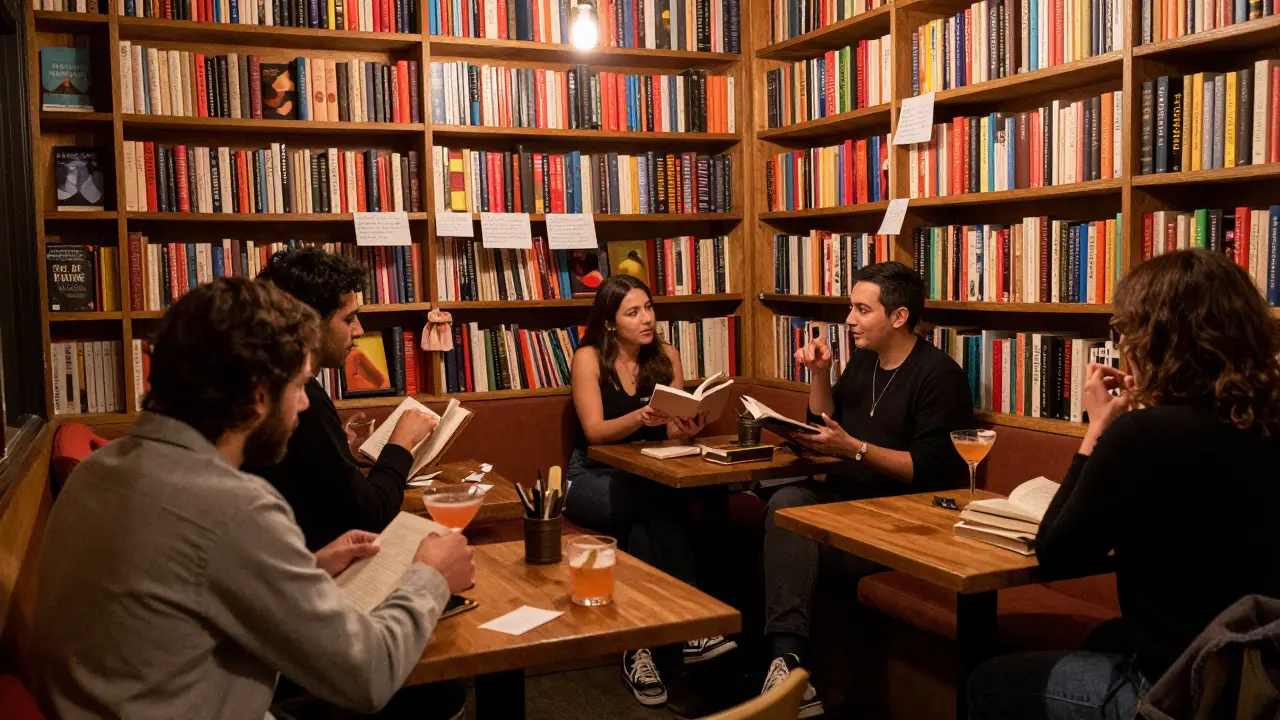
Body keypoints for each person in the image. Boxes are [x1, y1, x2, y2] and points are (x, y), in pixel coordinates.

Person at [30, 278, 475, 720]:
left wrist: (309, 567)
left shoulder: (98, 471)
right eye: (300, 386)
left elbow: (180, 588)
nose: (303, 405)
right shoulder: (231, 506)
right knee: (434, 692)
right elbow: (370, 675)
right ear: (258, 397)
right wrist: (430, 576)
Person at [967, 249, 1280, 720]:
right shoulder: (1266, 423)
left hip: (1179, 686)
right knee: (1103, 638)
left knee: (986, 684)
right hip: (1258, 675)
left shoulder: (1145, 435)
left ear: (1154, 341)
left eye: (1125, 331)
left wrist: (1096, 430)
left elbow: (1057, 552)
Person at [760, 261, 974, 717]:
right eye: (850, 307)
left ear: (898, 317)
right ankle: (787, 661)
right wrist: (819, 375)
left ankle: (790, 673)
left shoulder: (939, 375)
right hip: (844, 503)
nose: (849, 320)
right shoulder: (863, 362)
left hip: (900, 520)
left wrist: (854, 449)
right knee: (782, 503)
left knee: (791, 524)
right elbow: (823, 421)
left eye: (862, 309)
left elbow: (930, 469)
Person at [566, 274, 735, 708]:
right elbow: (595, 432)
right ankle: (695, 623)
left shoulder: (667, 356)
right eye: (633, 312)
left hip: (647, 475)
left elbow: (674, 431)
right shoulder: (588, 358)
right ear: (608, 323)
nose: (647, 319)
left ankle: (638, 647)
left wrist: (690, 424)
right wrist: (642, 417)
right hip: (589, 476)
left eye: (649, 308)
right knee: (651, 502)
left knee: (650, 514)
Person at [251, 248, 439, 551]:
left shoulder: (267, 381)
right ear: (308, 324)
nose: (359, 330)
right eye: (349, 318)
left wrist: (335, 443)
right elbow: (370, 517)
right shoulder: (301, 398)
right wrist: (400, 445)